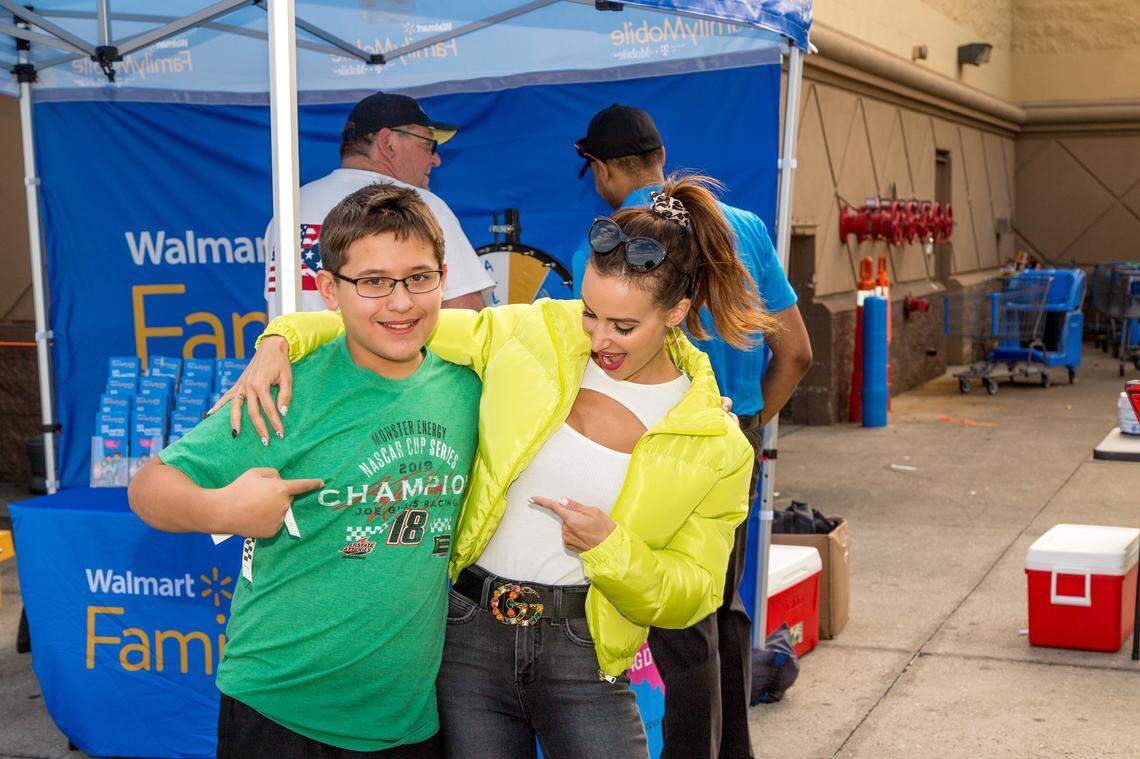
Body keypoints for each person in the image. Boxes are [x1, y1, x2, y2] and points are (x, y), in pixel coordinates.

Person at [218, 175, 774, 758]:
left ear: (678, 311)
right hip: (468, 637)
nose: (600, 340)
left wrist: (610, 549)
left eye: (624, 326)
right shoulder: (533, 333)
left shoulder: (715, 443)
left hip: (582, 650)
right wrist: (279, 337)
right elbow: (396, 323)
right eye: (590, 313)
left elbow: (694, 595)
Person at [129, 184, 481, 757]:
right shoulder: (285, 392)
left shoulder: (467, 383)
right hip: (281, 711)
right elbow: (148, 488)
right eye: (372, 282)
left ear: (444, 277)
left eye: (419, 277)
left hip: (407, 720)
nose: (400, 302)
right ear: (329, 291)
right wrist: (224, 509)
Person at [573, 104, 812, 758]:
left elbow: (589, 365)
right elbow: (796, 353)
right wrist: (750, 422)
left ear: (602, 168)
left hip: (645, 446)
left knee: (670, 628)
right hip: (727, 443)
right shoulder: (747, 228)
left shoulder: (611, 244)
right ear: (659, 153)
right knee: (717, 613)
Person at [264, 92, 494, 319]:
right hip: (381, 356)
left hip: (294, 356)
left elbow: (275, 312)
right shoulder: (418, 206)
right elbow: (465, 317)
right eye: (428, 145)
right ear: (388, 143)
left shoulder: (289, 211)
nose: (435, 159)